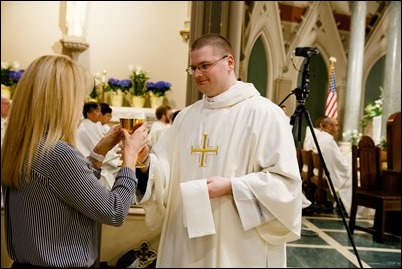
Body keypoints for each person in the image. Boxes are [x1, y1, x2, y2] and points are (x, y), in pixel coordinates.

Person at [133, 34, 302, 268]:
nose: (198, 74)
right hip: (184, 238)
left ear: (229, 62)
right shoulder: (187, 117)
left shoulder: (264, 113)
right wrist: (144, 161)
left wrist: (233, 187)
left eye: (205, 65)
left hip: (236, 244)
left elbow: (286, 184)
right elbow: (165, 171)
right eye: (193, 68)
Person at [1, 55, 148, 268]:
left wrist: (99, 152)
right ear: (62, 101)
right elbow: (114, 211)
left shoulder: (22, 146)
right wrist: (131, 157)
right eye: (78, 97)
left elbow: (70, 189)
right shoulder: (59, 153)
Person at [303, 117, 352, 215]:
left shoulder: (320, 138)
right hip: (325, 172)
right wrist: (350, 167)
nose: (338, 128)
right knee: (356, 176)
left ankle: (339, 203)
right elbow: (340, 163)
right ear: (329, 127)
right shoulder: (328, 141)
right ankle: (350, 206)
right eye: (336, 125)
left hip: (318, 170)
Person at [76, 102, 121, 190]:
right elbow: (97, 151)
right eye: (97, 111)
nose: (100, 114)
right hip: (90, 164)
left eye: (100, 111)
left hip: (101, 161)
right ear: (88, 113)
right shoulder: (85, 129)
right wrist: (118, 157)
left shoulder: (95, 126)